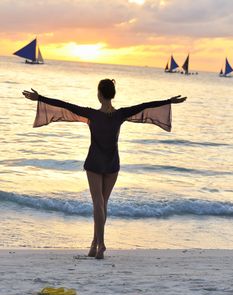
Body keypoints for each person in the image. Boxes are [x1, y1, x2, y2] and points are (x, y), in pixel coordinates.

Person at [23, 79, 186, 259]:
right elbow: (145, 106)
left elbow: (65, 105)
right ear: (112, 94)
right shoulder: (120, 114)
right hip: (112, 163)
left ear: (100, 94)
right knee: (103, 204)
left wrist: (40, 98)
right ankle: (94, 244)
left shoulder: (91, 114)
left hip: (94, 162)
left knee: (98, 204)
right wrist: (168, 101)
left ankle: (101, 244)